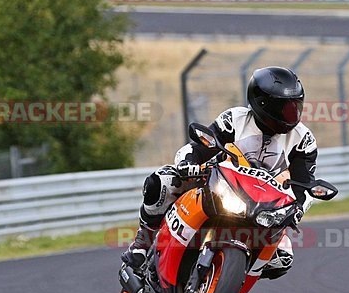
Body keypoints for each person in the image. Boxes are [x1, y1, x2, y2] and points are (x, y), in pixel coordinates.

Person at [121, 66, 317, 279]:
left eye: (295, 106)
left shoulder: (303, 140)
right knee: (162, 181)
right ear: (263, 104)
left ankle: (230, 283)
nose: (292, 114)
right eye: (284, 108)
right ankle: (143, 242)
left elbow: (304, 184)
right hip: (216, 185)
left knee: (282, 259)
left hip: (262, 206)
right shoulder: (236, 119)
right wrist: (188, 163)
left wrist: (297, 209)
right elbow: (198, 148)